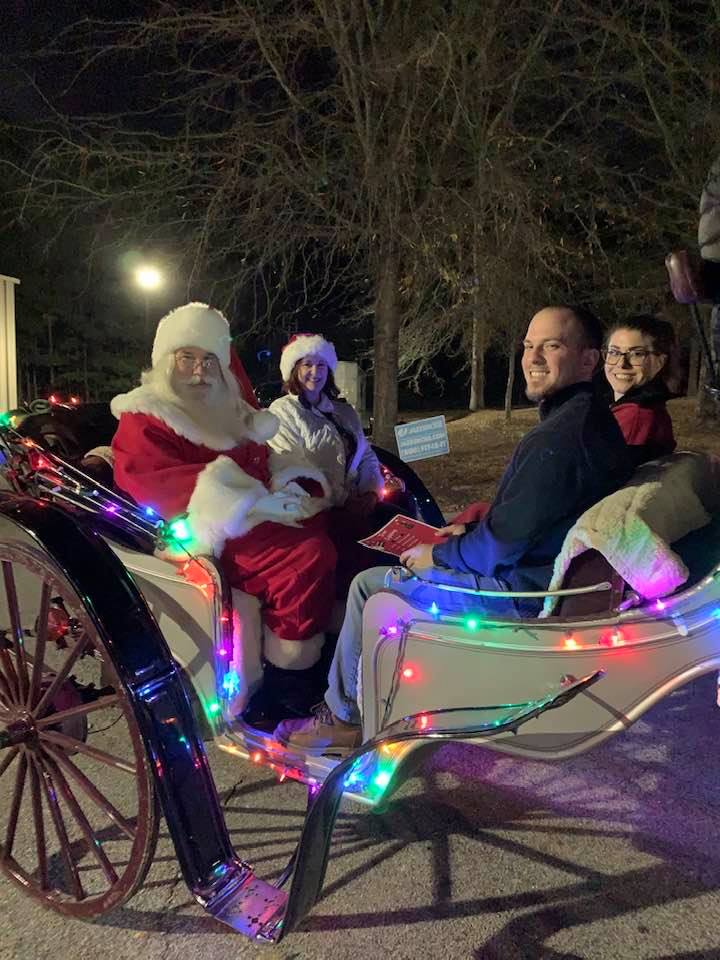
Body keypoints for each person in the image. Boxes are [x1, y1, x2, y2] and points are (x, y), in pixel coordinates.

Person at [274, 304, 637, 752]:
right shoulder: (582, 420)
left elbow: (500, 547)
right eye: (528, 346)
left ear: (588, 360)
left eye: (552, 346)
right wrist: (463, 534)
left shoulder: (562, 436)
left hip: (522, 591)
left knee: (369, 587)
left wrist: (438, 554)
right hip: (539, 568)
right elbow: (525, 521)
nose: (533, 357)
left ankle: (343, 717)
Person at [111, 302, 337, 722]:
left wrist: (291, 485)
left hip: (254, 515)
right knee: (305, 556)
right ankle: (286, 681)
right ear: (166, 362)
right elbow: (153, 481)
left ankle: (332, 648)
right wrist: (253, 502)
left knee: (335, 528)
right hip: (202, 530)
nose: (199, 372)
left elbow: (263, 456)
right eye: (188, 359)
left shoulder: (229, 408)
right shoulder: (146, 418)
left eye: (209, 361)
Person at [268, 333, 390, 593]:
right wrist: (344, 502)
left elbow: (366, 455)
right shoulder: (283, 412)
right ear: (294, 369)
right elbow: (293, 468)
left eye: (321, 365)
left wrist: (370, 492)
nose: (315, 372)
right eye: (307, 364)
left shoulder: (343, 412)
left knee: (398, 519)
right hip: (318, 512)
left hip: (357, 505)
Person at [603, 314, 677, 461]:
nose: (622, 364)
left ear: (660, 362)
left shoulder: (636, 415)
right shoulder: (641, 406)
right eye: (614, 352)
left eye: (637, 354)